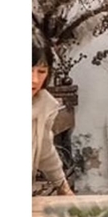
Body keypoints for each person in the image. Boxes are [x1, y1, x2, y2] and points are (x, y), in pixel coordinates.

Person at [32, 41, 74, 196]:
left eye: (41, 72)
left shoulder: (44, 103)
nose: (34, 80)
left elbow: (45, 149)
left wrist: (63, 187)